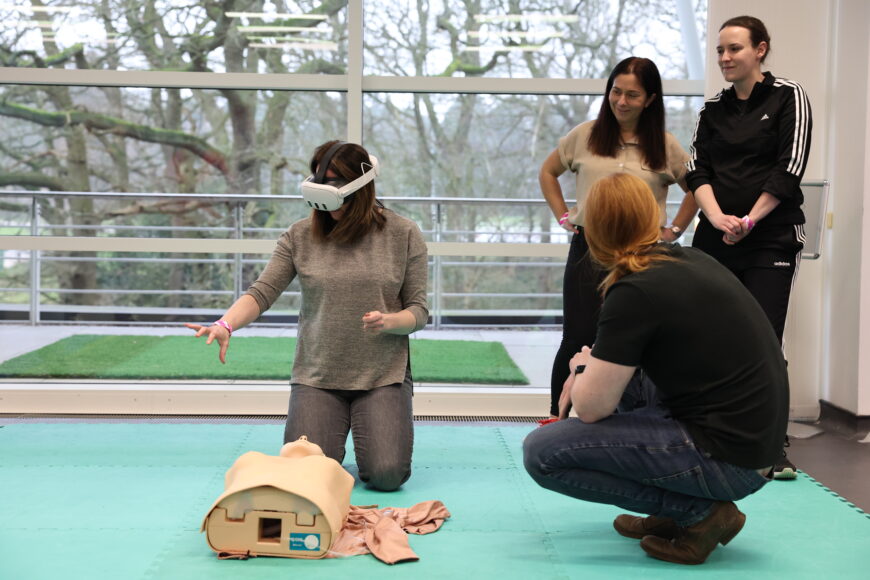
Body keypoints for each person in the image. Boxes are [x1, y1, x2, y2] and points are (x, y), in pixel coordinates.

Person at [523, 173, 788, 565]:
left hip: (731, 462)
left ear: (593, 232)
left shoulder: (634, 290)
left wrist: (579, 372)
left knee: (541, 453)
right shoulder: (686, 259)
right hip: (755, 448)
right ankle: (673, 511)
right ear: (653, 216)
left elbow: (592, 408)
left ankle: (701, 513)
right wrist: (592, 366)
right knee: (622, 381)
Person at [186, 140, 429, 491]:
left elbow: (418, 311)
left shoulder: (403, 233)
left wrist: (392, 321)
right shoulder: (300, 235)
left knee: (387, 476)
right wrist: (226, 324)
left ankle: (369, 430)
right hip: (318, 376)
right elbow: (262, 291)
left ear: (360, 186)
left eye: (333, 182)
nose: (323, 191)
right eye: (319, 179)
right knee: (304, 476)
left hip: (381, 375)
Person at [686, 15, 812, 479]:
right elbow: (696, 172)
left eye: (734, 49)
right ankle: (708, 436)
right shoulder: (712, 111)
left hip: (770, 237)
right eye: (720, 50)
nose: (724, 58)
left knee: (763, 337)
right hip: (715, 236)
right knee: (707, 337)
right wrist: (718, 218)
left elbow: (789, 167)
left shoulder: (788, 97)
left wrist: (750, 219)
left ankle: (772, 445)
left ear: (760, 49)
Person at [539, 56, 697, 418]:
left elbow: (695, 188)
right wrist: (564, 215)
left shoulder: (665, 146)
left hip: (642, 255)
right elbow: (548, 172)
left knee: (635, 338)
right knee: (577, 335)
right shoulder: (585, 136)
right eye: (616, 91)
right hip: (588, 248)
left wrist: (674, 229)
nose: (621, 101)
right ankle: (556, 417)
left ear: (650, 100)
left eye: (632, 95)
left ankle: (633, 418)